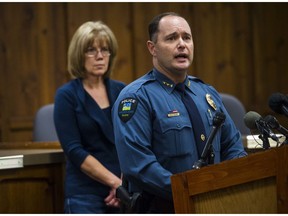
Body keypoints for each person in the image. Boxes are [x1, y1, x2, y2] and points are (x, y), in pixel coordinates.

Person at [112, 12, 247, 213]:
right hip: (164, 206)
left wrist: (234, 183)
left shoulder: (206, 93)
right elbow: (139, 166)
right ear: (153, 48)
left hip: (217, 203)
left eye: (187, 37)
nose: (182, 44)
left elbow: (232, 147)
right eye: (172, 38)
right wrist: (190, 190)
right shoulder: (136, 97)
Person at [54, 21, 125, 213]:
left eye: (105, 50)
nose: (100, 56)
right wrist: (115, 183)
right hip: (84, 193)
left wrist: (124, 184)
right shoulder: (66, 95)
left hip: (124, 188)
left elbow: (134, 141)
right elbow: (74, 150)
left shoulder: (123, 91)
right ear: (79, 55)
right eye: (91, 50)